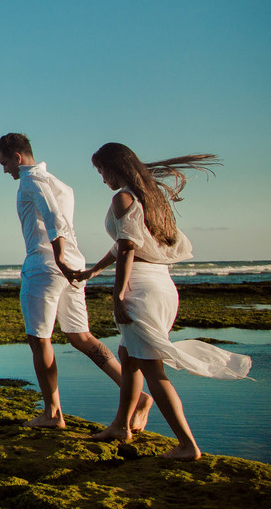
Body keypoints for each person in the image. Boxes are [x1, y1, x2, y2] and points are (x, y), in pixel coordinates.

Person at [71, 143, 251, 460]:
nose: (102, 179)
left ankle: (187, 444)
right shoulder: (151, 198)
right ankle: (120, 426)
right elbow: (125, 246)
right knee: (128, 358)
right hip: (162, 286)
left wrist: (119, 296)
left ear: (116, 167)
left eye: (101, 171)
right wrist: (93, 271)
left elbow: (127, 247)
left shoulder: (123, 197)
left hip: (139, 289)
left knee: (153, 370)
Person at [0, 133, 153, 429]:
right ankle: (137, 395)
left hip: (45, 266)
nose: (5, 170)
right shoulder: (62, 185)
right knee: (80, 335)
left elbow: (53, 217)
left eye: (5, 163)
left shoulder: (31, 181)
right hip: (73, 265)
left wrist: (59, 258)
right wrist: (69, 263)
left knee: (39, 339)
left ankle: (53, 413)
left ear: (17, 157)